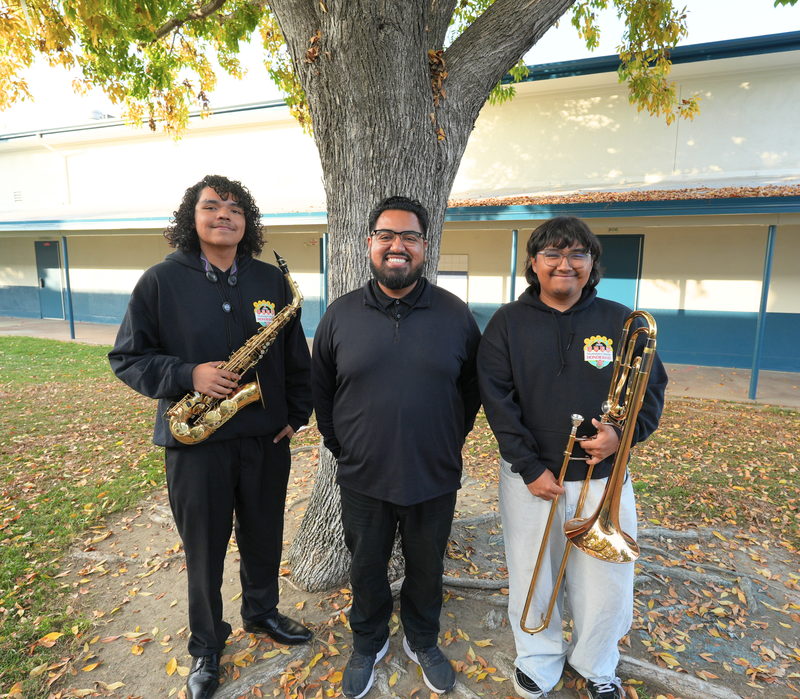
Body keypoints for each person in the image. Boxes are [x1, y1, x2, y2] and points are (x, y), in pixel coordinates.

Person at [109, 175, 314, 699]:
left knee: (264, 534)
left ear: (248, 222)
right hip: (195, 442)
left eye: (235, 207)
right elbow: (127, 358)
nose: (225, 214)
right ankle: (206, 645)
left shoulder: (270, 282)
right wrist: (187, 374)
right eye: (212, 206)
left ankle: (262, 613)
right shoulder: (159, 281)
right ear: (191, 218)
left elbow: (295, 358)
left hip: (266, 438)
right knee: (204, 549)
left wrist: (297, 411)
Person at [477, 217, 667, 699]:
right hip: (532, 479)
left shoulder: (621, 321)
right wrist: (530, 468)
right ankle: (539, 662)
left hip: (604, 477)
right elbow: (498, 402)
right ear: (534, 265)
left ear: (591, 264)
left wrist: (620, 435)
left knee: (606, 582)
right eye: (553, 255)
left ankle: (597, 665)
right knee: (533, 572)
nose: (566, 264)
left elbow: (650, 392)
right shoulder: (505, 324)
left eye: (578, 255)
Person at [311, 196, 481, 699]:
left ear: (424, 248)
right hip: (363, 475)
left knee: (427, 567)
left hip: (434, 474)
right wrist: (343, 446)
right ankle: (368, 642)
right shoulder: (340, 315)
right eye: (387, 235)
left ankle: (422, 640)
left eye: (409, 237)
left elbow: (471, 391)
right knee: (365, 567)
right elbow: (322, 390)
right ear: (370, 244)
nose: (397, 246)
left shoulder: (455, 315)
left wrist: (446, 439)